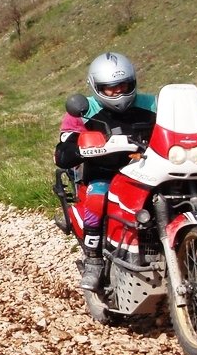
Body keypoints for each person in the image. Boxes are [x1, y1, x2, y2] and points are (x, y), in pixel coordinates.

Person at [54, 52, 157, 291]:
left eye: (124, 85)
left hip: (149, 170)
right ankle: (94, 260)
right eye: (110, 88)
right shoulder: (83, 110)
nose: (119, 93)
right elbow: (64, 148)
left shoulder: (153, 103)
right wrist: (78, 149)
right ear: (96, 87)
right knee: (98, 198)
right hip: (104, 173)